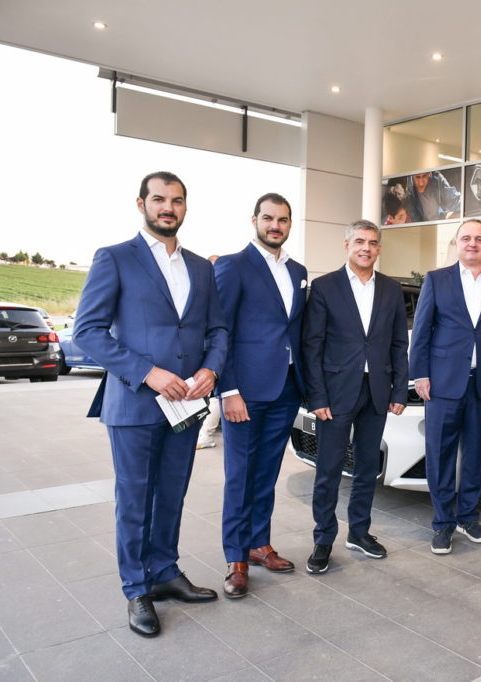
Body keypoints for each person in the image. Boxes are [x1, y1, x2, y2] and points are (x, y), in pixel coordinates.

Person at [74, 171, 228, 637]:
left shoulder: (201, 267)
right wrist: (147, 372)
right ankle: (136, 588)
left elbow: (217, 329)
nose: (168, 207)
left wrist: (211, 370)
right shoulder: (115, 258)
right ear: (141, 204)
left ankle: (164, 571)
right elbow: (87, 332)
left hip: (187, 407)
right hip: (135, 404)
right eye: (159, 199)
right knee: (135, 500)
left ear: (185, 207)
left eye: (176, 201)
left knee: (172, 493)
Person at [214, 193, 307, 598]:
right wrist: (228, 389)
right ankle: (235, 557)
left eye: (282, 220)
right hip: (245, 392)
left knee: (267, 472)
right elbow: (220, 332)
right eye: (268, 218)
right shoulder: (233, 266)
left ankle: (258, 543)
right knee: (240, 475)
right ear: (254, 220)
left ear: (290, 225)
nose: (275, 225)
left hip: (286, 387)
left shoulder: (298, 271)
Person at [302, 219, 409, 572]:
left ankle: (359, 532)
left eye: (373, 243)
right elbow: (312, 345)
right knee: (329, 470)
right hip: (335, 394)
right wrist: (317, 397)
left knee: (366, 468)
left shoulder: (391, 289)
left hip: (376, 391)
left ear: (379, 249)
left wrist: (399, 390)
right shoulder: (324, 287)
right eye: (360, 241)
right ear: (347, 245)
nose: (366, 248)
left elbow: (398, 343)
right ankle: (323, 539)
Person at [410, 219, 481, 554]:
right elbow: (422, 330)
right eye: (466, 238)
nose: (473, 243)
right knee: (440, 454)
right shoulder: (436, 280)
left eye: (479, 239)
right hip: (443, 383)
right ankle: (442, 522)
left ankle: (468, 517)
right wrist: (420, 374)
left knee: (475, 452)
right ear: (457, 244)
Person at [196, 255, 223, 450]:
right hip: (208, 352)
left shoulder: (214, 288)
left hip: (214, 352)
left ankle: (204, 433)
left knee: (213, 396)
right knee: (213, 396)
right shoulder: (207, 289)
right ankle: (204, 434)